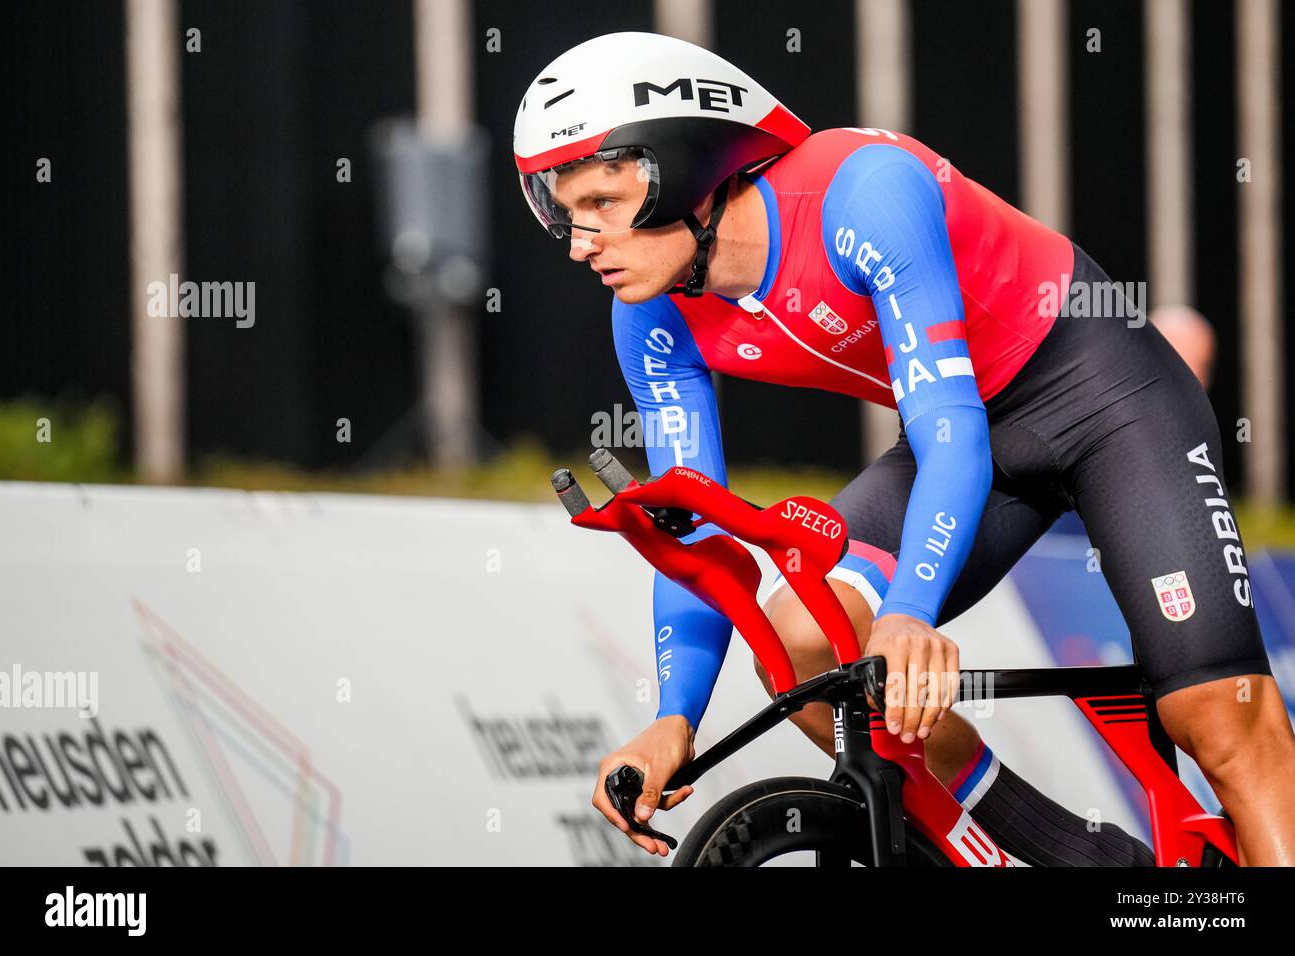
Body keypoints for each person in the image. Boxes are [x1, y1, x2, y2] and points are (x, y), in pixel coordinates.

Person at [514, 32, 1295, 865]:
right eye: (564, 211)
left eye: (601, 202)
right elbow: (693, 523)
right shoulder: (649, 313)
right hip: (964, 437)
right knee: (806, 657)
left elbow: (950, 425)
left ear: (692, 164)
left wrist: (910, 612)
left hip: (1107, 402)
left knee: (1219, 715)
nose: (578, 241)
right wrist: (675, 717)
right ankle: (1095, 866)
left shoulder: (865, 192)